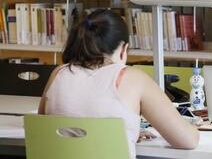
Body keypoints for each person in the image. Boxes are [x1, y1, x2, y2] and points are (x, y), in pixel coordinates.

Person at [38, 9, 199, 159]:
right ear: (123, 49)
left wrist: (125, 133)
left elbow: (47, 125)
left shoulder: (58, 74)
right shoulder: (132, 78)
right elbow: (188, 140)